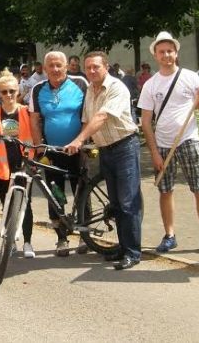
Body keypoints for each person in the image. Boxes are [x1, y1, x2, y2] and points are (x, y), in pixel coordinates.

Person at [138, 31, 199, 258]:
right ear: (155, 55)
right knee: (165, 191)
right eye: (161, 52)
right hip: (163, 145)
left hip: (188, 140)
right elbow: (145, 122)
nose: (166, 55)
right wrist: (154, 153)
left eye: (170, 51)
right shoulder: (150, 85)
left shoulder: (191, 77)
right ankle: (169, 235)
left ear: (176, 52)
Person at [65, 51, 142, 270]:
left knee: (128, 202)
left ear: (105, 67)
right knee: (115, 204)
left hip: (125, 146)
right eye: (88, 67)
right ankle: (123, 246)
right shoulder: (90, 90)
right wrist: (83, 144)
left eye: (95, 67)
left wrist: (79, 140)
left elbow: (101, 117)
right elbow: (86, 120)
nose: (91, 71)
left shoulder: (116, 87)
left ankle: (133, 252)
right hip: (105, 150)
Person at [29, 51, 89, 256]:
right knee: (56, 194)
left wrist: (81, 141)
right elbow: (35, 119)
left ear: (66, 67)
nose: (55, 69)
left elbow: (89, 115)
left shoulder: (80, 83)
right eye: (51, 66)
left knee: (81, 192)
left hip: (77, 149)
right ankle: (61, 238)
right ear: (45, 69)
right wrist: (39, 147)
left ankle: (84, 235)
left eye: (58, 65)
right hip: (52, 151)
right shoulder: (37, 89)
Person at [0, 73, 35, 258]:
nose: (9, 95)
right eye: (4, 91)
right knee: (6, 205)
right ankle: (10, 241)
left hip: (24, 163)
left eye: (12, 91)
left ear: (19, 91)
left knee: (25, 203)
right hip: (1, 167)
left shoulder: (26, 111)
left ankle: (28, 242)